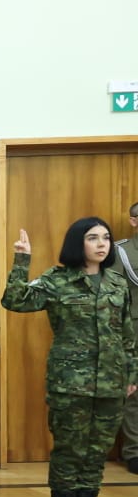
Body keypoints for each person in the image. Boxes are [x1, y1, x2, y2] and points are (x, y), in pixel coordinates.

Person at [1, 219, 136, 497]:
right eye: (93, 238)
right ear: (78, 243)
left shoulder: (117, 283)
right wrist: (22, 260)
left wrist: (131, 374)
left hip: (111, 382)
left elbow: (127, 336)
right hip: (70, 383)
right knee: (69, 450)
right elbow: (14, 301)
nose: (102, 244)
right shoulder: (57, 280)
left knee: (97, 451)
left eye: (106, 238)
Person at [114, 201, 138, 474]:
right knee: (133, 392)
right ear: (133, 221)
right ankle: (134, 451)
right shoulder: (122, 252)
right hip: (133, 328)